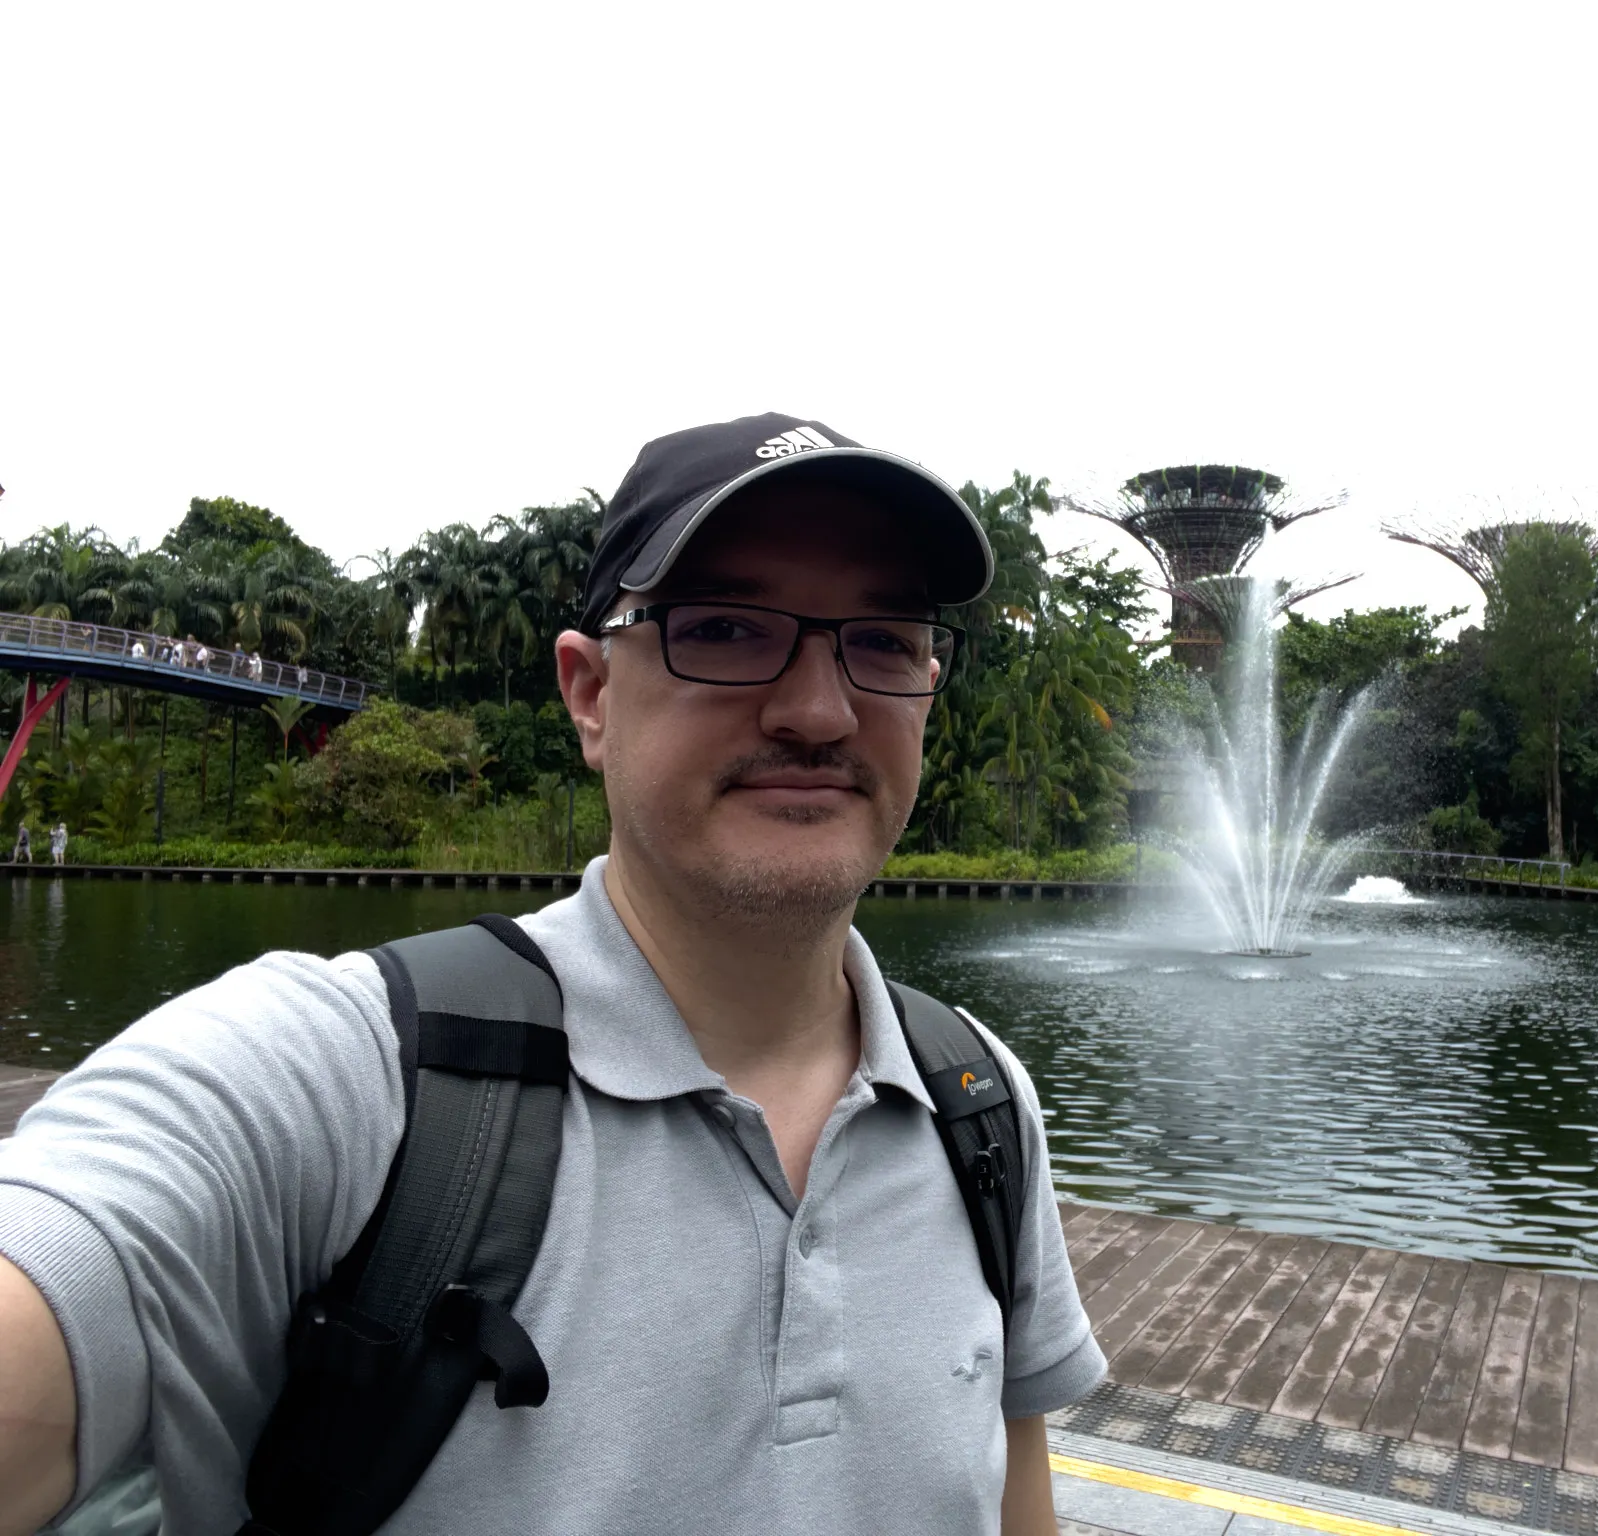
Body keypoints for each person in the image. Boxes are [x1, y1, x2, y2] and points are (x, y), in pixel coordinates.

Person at [0, 413, 1102, 1536]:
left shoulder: (976, 1100)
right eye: (723, 629)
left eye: (881, 642)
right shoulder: (345, 1078)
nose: (818, 712)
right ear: (590, 694)